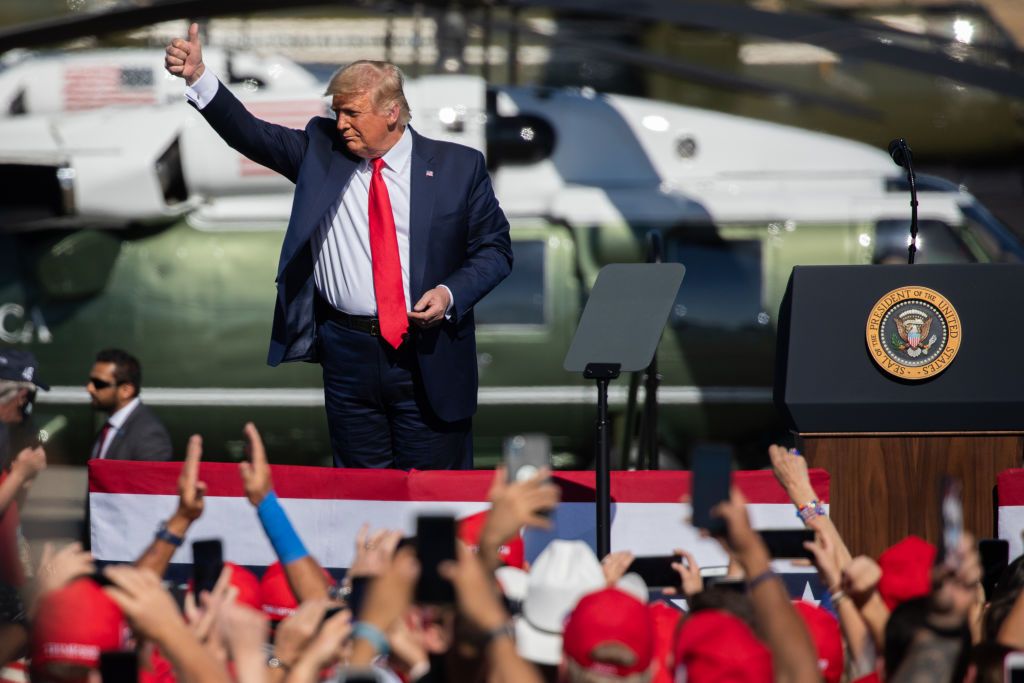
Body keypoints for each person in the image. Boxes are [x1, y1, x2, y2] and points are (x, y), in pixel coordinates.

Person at [164, 24, 512, 470]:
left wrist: (449, 294)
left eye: (351, 113)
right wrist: (198, 78)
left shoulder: (457, 168)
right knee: (361, 498)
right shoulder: (320, 151)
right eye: (337, 113)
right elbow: (249, 134)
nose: (341, 124)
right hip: (348, 355)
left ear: (391, 113)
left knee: (431, 500)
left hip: (429, 353)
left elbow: (495, 250)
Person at [86, 348, 172, 461]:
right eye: (90, 381)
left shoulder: (148, 434)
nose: (90, 388)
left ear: (126, 390)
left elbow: (150, 477)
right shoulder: (108, 427)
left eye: (99, 383)